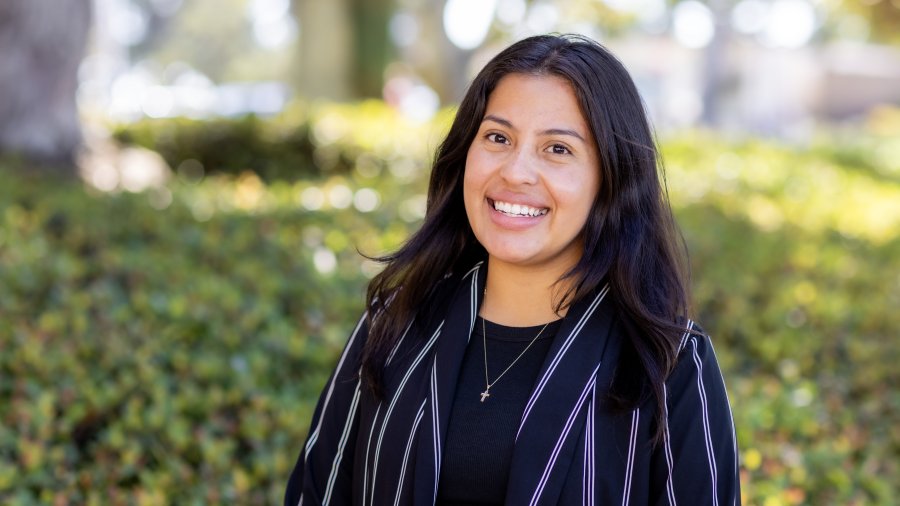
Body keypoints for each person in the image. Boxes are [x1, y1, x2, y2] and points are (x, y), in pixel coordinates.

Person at [285, 34, 740, 506]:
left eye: (558, 149)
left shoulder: (669, 364)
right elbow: (314, 493)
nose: (516, 172)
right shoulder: (393, 323)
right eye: (498, 138)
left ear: (611, 180)